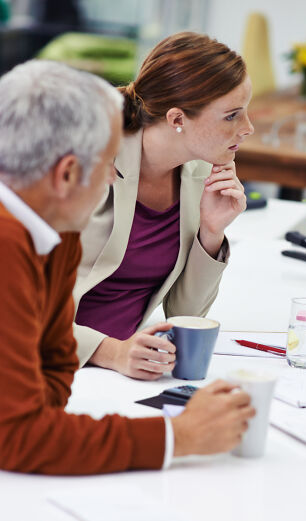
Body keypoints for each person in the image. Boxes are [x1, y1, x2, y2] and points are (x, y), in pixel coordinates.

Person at [0, 60, 254, 475]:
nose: (114, 178)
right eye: (108, 166)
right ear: (66, 174)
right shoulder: (8, 243)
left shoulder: (53, 232)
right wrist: (180, 436)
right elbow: (20, 438)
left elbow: (50, 380)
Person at [73, 32, 254, 380]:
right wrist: (111, 352)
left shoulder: (200, 170)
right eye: (232, 115)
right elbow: (18, 306)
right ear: (176, 119)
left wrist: (211, 234)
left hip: (124, 369)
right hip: (49, 363)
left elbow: (185, 315)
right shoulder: (87, 160)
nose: (248, 128)